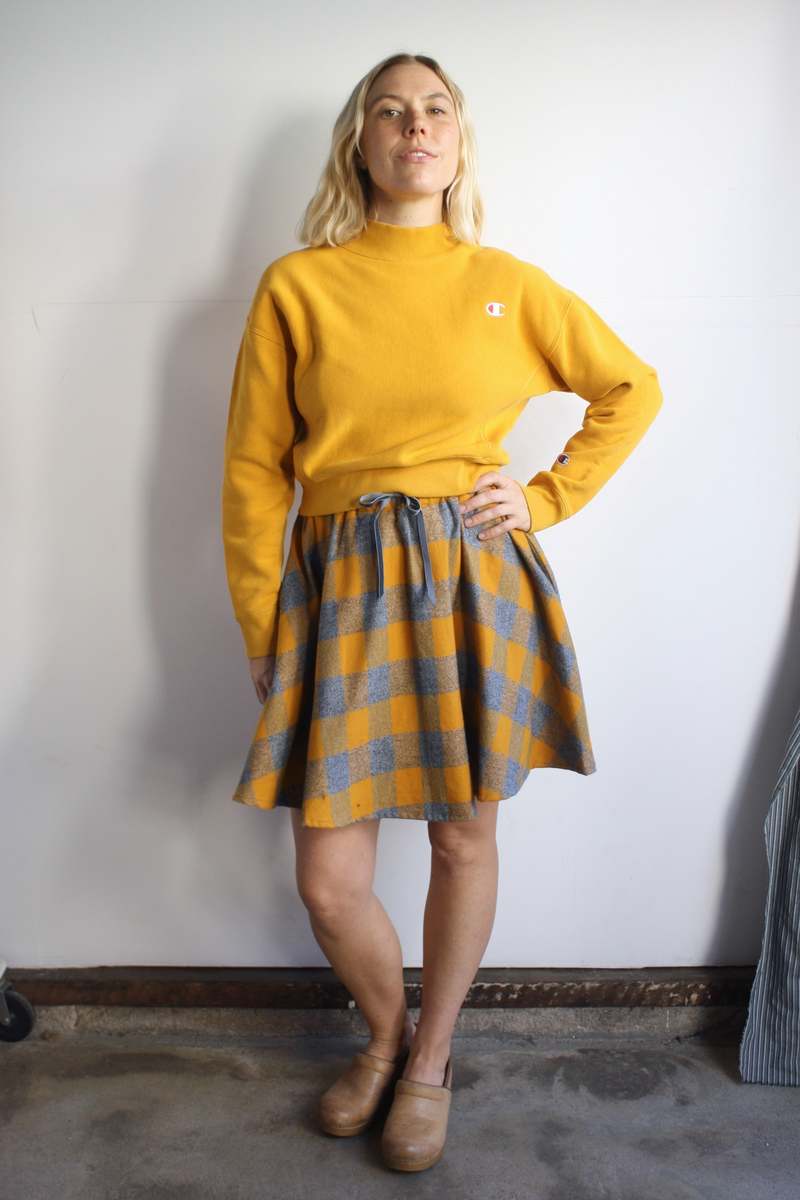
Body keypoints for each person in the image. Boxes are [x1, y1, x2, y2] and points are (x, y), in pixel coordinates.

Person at [221, 51, 663, 1172]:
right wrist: (264, 621)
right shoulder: (298, 286)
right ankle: (384, 1033)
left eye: (433, 111)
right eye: (389, 112)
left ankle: (428, 1062)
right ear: (359, 143)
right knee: (330, 882)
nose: (413, 128)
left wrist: (545, 496)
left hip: (468, 576)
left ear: (457, 141)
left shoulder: (505, 282)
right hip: (339, 586)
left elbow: (631, 387)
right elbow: (254, 470)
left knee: (463, 837)